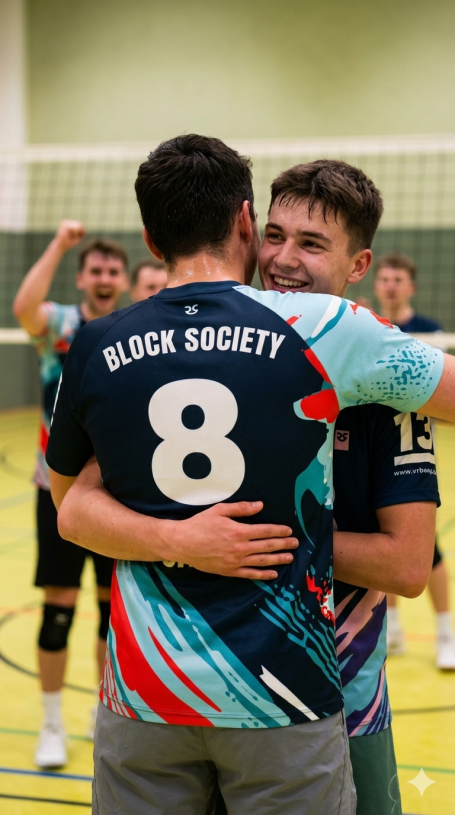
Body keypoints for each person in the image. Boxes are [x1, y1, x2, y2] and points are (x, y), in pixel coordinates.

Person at [46, 136, 455, 815]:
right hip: (278, 699)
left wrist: (192, 534)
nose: (285, 259)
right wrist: (197, 538)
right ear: (244, 224)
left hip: (202, 695)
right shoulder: (332, 329)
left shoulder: (99, 339)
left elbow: (71, 505)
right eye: (273, 234)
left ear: (149, 239)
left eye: (311, 244)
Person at [12, 222, 129, 768]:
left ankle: (104, 714)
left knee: (113, 615)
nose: (104, 279)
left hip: (112, 494)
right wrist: (59, 244)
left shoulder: (131, 332)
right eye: (96, 270)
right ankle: (52, 723)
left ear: (124, 281)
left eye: (112, 271)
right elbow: (23, 307)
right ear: (82, 277)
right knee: (58, 609)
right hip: (53, 491)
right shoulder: (60, 325)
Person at [374, 252, 455, 669]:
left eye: (397, 279)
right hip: (373, 451)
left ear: (411, 287)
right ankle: (393, 628)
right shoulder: (368, 327)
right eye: (384, 278)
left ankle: (446, 632)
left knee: (430, 550)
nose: (389, 285)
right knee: (380, 536)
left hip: (413, 452)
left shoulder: (429, 332)